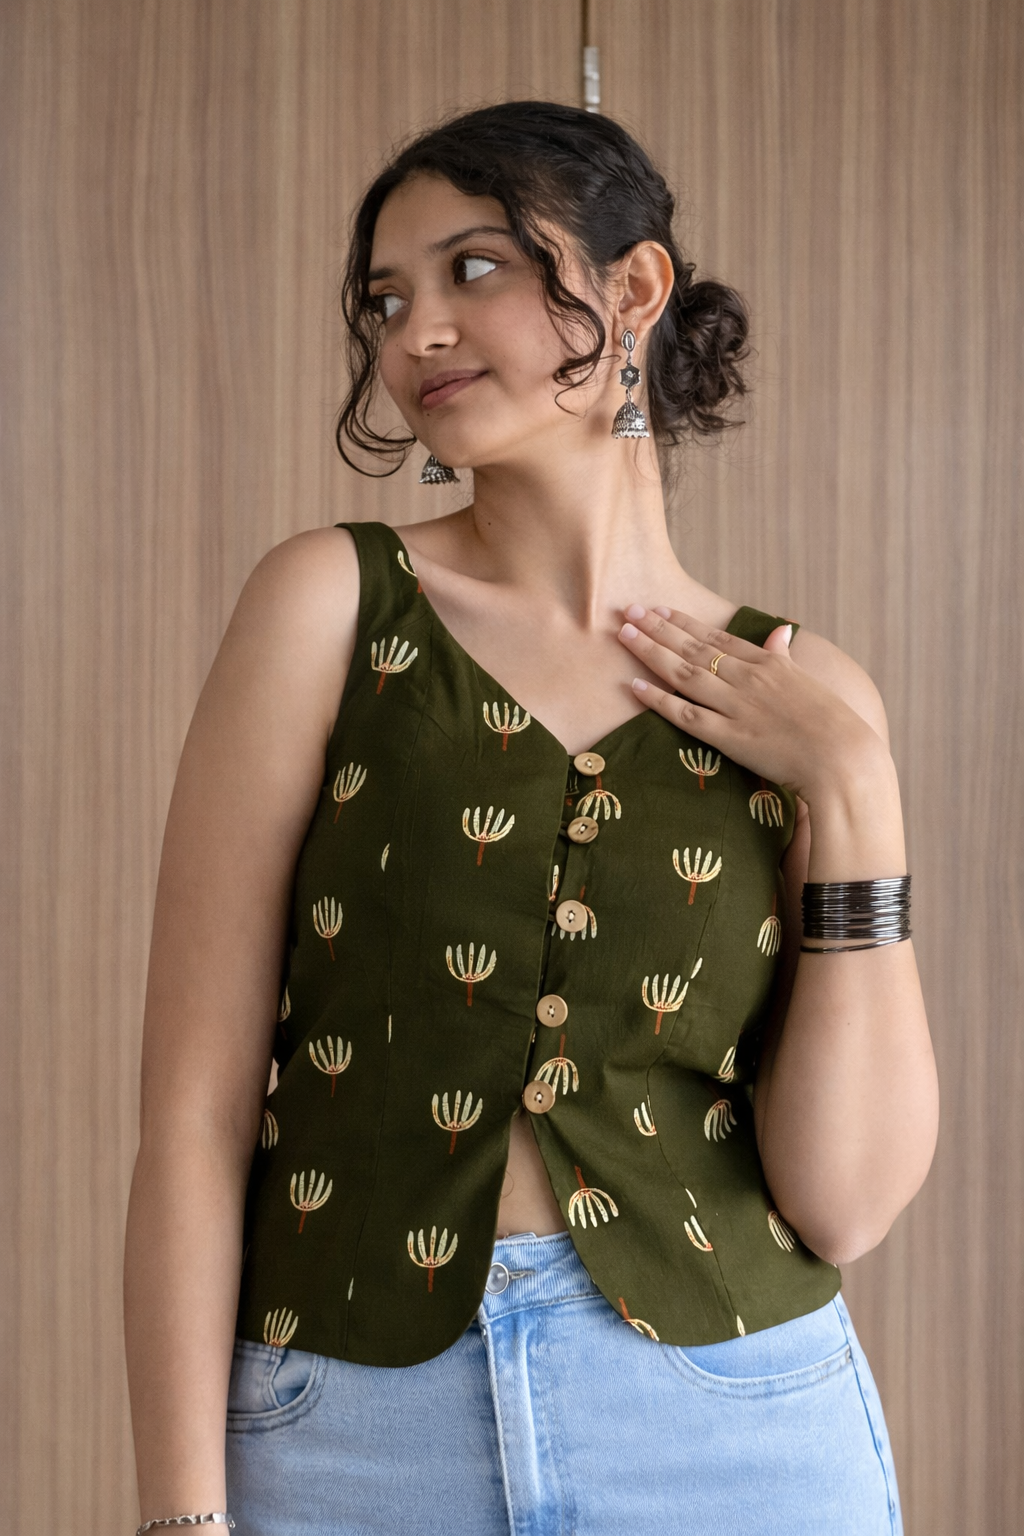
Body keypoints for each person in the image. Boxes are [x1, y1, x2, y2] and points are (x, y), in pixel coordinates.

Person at [124, 101, 939, 1536]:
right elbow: (192, 1118)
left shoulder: (805, 696)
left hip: (735, 1423)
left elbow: (847, 1206)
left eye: (474, 269)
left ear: (631, 292)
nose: (416, 331)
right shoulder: (331, 606)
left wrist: (857, 796)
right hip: (349, 1423)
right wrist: (182, 1517)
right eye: (387, 298)